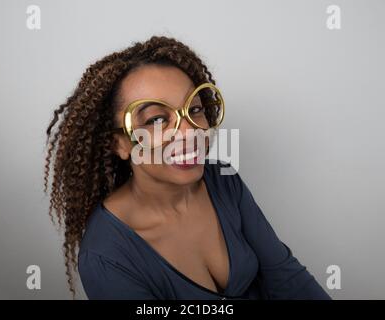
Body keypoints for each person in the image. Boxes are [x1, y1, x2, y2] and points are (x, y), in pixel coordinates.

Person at [44, 35, 331, 300]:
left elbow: (286, 277)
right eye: (156, 119)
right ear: (118, 144)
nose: (189, 132)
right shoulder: (107, 256)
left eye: (194, 109)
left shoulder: (221, 180)